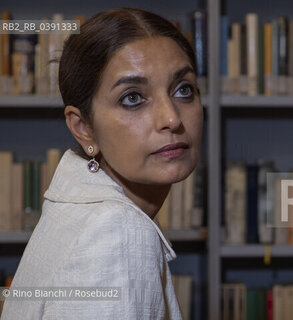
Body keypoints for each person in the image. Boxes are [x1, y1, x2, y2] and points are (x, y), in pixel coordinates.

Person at [1, 7, 203, 319]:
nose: (172, 118)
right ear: (83, 127)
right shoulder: (118, 231)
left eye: (183, 89)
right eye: (133, 98)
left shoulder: (82, 213)